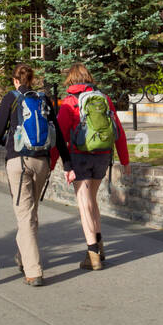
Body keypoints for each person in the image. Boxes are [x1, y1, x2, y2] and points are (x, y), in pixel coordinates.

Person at [0, 64, 71, 287]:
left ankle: (34, 271)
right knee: (30, 213)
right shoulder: (43, 99)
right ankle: (23, 256)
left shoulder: (11, 98)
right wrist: (67, 163)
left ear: (15, 80)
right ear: (31, 80)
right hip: (42, 161)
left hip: (18, 161)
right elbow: (57, 134)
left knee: (25, 215)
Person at [54, 63, 128, 271]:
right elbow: (118, 130)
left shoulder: (70, 102)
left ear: (70, 80)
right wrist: (125, 160)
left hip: (80, 156)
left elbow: (60, 135)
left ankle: (92, 254)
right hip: (103, 155)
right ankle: (100, 246)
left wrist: (52, 163)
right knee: (92, 200)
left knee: (84, 204)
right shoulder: (103, 99)